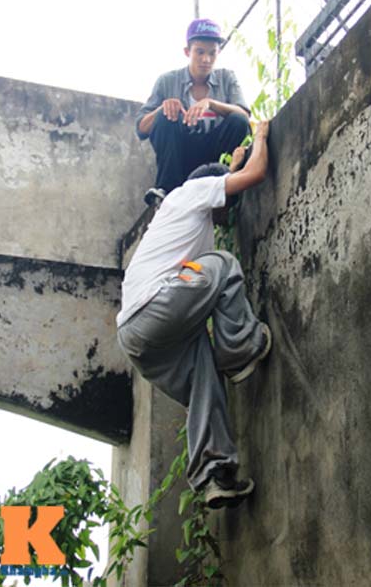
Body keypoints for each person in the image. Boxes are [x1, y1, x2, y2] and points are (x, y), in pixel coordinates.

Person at [117, 121, 271, 508]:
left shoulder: (180, 218)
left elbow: (230, 176)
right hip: (157, 306)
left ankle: (215, 474)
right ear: (212, 192)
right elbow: (253, 175)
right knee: (221, 264)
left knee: (205, 379)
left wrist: (232, 162)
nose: (225, 215)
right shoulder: (190, 191)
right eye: (225, 203)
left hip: (137, 338)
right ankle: (240, 350)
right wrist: (262, 135)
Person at [136, 18, 251, 205]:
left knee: (237, 120)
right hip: (181, 158)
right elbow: (141, 128)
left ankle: (226, 185)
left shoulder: (226, 78)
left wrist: (211, 103)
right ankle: (167, 192)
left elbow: (244, 116)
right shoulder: (167, 81)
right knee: (164, 117)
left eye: (212, 53)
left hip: (216, 157)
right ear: (187, 52)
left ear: (218, 53)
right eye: (200, 52)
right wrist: (162, 108)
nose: (206, 59)